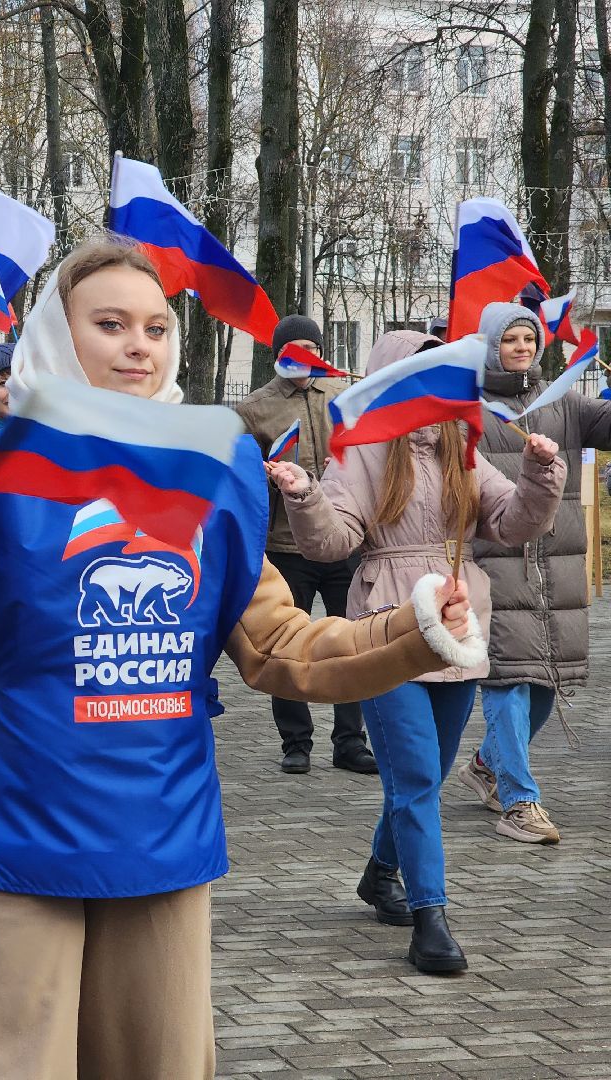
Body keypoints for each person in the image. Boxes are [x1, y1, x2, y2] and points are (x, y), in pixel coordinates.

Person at [0, 236, 480, 1078]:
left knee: (163, 1061)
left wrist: (412, 627)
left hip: (160, 818)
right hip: (17, 814)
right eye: (109, 323)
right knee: (24, 1062)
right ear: (56, 335)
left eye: (154, 326)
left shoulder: (211, 472)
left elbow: (281, 645)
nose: (138, 344)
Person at [271, 328, 564, 974]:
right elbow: (333, 540)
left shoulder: (464, 448)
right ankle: (431, 917)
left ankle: (380, 874)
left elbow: (513, 523)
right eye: (423, 369)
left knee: (418, 777)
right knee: (416, 778)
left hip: (457, 629)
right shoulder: (366, 449)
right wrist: (304, 494)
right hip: (386, 629)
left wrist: (542, 472)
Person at [457, 302, 611, 844]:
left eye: (529, 339)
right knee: (508, 679)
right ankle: (520, 802)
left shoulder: (564, 404)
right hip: (496, 562)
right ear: (490, 344)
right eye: (511, 339)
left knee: (545, 686)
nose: (522, 348)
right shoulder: (468, 409)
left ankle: (484, 765)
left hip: (560, 569)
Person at [235, 316, 377, 775]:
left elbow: (366, 458)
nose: (304, 355)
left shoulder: (344, 400)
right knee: (285, 645)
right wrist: (269, 473)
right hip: (284, 546)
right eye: (293, 347)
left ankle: (350, 740)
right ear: (278, 353)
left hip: (342, 543)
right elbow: (239, 473)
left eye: (311, 347)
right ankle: (295, 741)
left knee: (353, 642)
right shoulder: (254, 408)